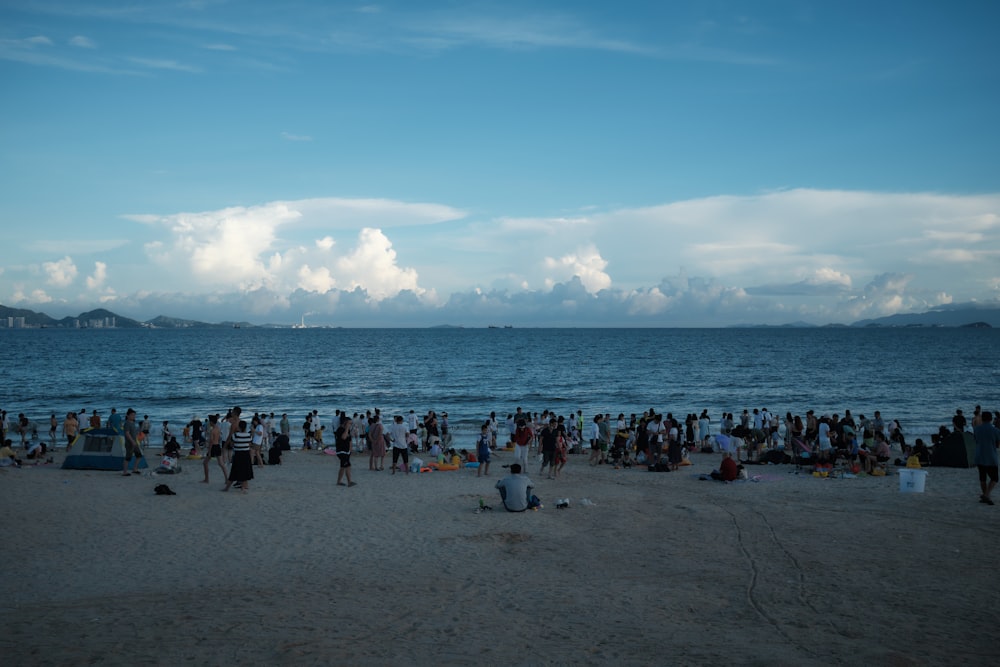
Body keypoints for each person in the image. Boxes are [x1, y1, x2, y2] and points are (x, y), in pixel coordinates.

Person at [973, 410, 1000, 505]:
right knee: (995, 478)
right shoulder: (995, 430)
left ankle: (985, 495)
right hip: (990, 456)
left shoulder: (976, 429)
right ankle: (987, 494)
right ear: (991, 419)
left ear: (982, 418)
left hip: (979, 455)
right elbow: (998, 444)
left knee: (982, 477)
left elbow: (976, 440)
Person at [223, 420, 253, 494]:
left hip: (238, 454)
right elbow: (249, 444)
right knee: (245, 471)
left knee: (234, 471)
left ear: (239, 427)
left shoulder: (235, 435)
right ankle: (243, 488)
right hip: (246, 454)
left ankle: (227, 488)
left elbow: (232, 444)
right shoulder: (249, 435)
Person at [202, 414, 226, 483]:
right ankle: (226, 479)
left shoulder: (212, 431)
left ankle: (207, 479)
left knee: (205, 463)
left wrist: (209, 451)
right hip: (218, 446)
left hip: (213, 447)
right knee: (221, 464)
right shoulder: (218, 428)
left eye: (210, 421)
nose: (209, 422)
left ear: (212, 422)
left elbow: (211, 442)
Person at [121, 408, 144, 476]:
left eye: (134, 415)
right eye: (132, 415)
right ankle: (124, 472)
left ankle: (135, 469)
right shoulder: (127, 423)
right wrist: (132, 441)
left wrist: (137, 440)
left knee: (139, 455)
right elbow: (127, 434)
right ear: (127, 415)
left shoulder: (133, 423)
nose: (133, 416)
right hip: (130, 443)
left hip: (135, 442)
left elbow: (135, 433)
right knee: (128, 458)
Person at [335, 416, 357, 487]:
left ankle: (339, 481)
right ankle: (349, 482)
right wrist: (347, 428)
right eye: (349, 423)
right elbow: (343, 437)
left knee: (343, 467)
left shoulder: (348, 430)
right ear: (345, 423)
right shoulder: (340, 429)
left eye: (351, 424)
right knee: (347, 466)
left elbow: (349, 440)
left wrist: (351, 449)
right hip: (341, 451)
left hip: (346, 451)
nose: (350, 425)